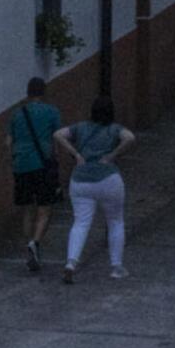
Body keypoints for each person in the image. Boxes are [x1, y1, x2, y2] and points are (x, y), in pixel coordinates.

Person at [54, 97, 134, 284]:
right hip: (108, 179)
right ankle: (116, 267)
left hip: (81, 180)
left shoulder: (81, 127)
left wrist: (76, 154)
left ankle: (71, 263)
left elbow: (58, 134)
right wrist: (112, 155)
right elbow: (130, 138)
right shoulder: (114, 129)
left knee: (80, 223)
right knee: (115, 221)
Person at [7, 77, 61, 272]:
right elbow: (56, 140)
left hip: (21, 165)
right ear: (43, 92)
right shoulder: (52, 112)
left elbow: (8, 143)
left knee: (27, 209)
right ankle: (35, 243)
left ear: (27, 93)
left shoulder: (16, 114)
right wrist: (56, 161)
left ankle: (28, 242)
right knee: (45, 208)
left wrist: (13, 162)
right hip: (42, 165)